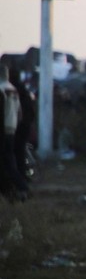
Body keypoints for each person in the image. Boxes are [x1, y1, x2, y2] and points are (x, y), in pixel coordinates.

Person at [0, 64, 29, 201]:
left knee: (6, 161)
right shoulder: (14, 90)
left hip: (3, 130)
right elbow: (20, 114)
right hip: (12, 129)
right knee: (10, 160)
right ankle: (20, 187)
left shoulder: (1, 90)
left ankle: (16, 188)